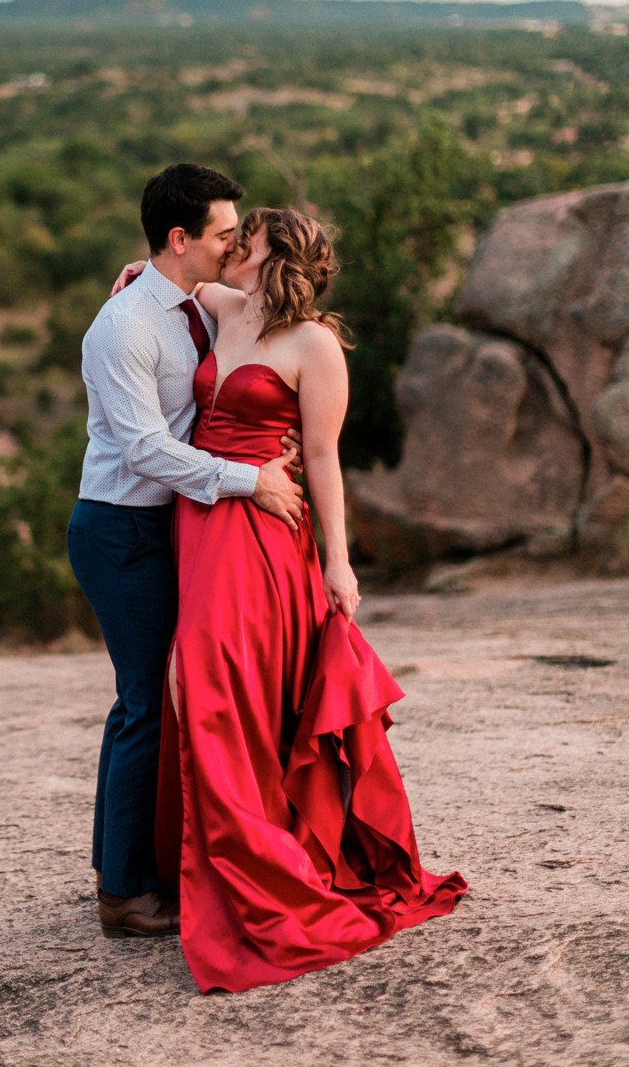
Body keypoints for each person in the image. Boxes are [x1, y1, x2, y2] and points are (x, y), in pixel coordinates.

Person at [155, 206, 466, 992]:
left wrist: (339, 563)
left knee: (217, 677)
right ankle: (203, 861)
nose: (231, 247)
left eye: (243, 239)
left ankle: (258, 864)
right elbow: (157, 282)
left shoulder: (314, 345)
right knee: (204, 679)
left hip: (266, 527)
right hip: (200, 517)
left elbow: (323, 458)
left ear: (272, 254)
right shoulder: (225, 308)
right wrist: (135, 276)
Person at [67, 163, 307, 939]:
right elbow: (144, 450)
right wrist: (251, 480)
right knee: (144, 704)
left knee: (157, 703)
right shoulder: (125, 326)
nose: (235, 246)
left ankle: (127, 868)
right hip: (121, 528)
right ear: (182, 239)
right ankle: (125, 897)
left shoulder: (186, 304)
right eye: (224, 235)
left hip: (171, 527)